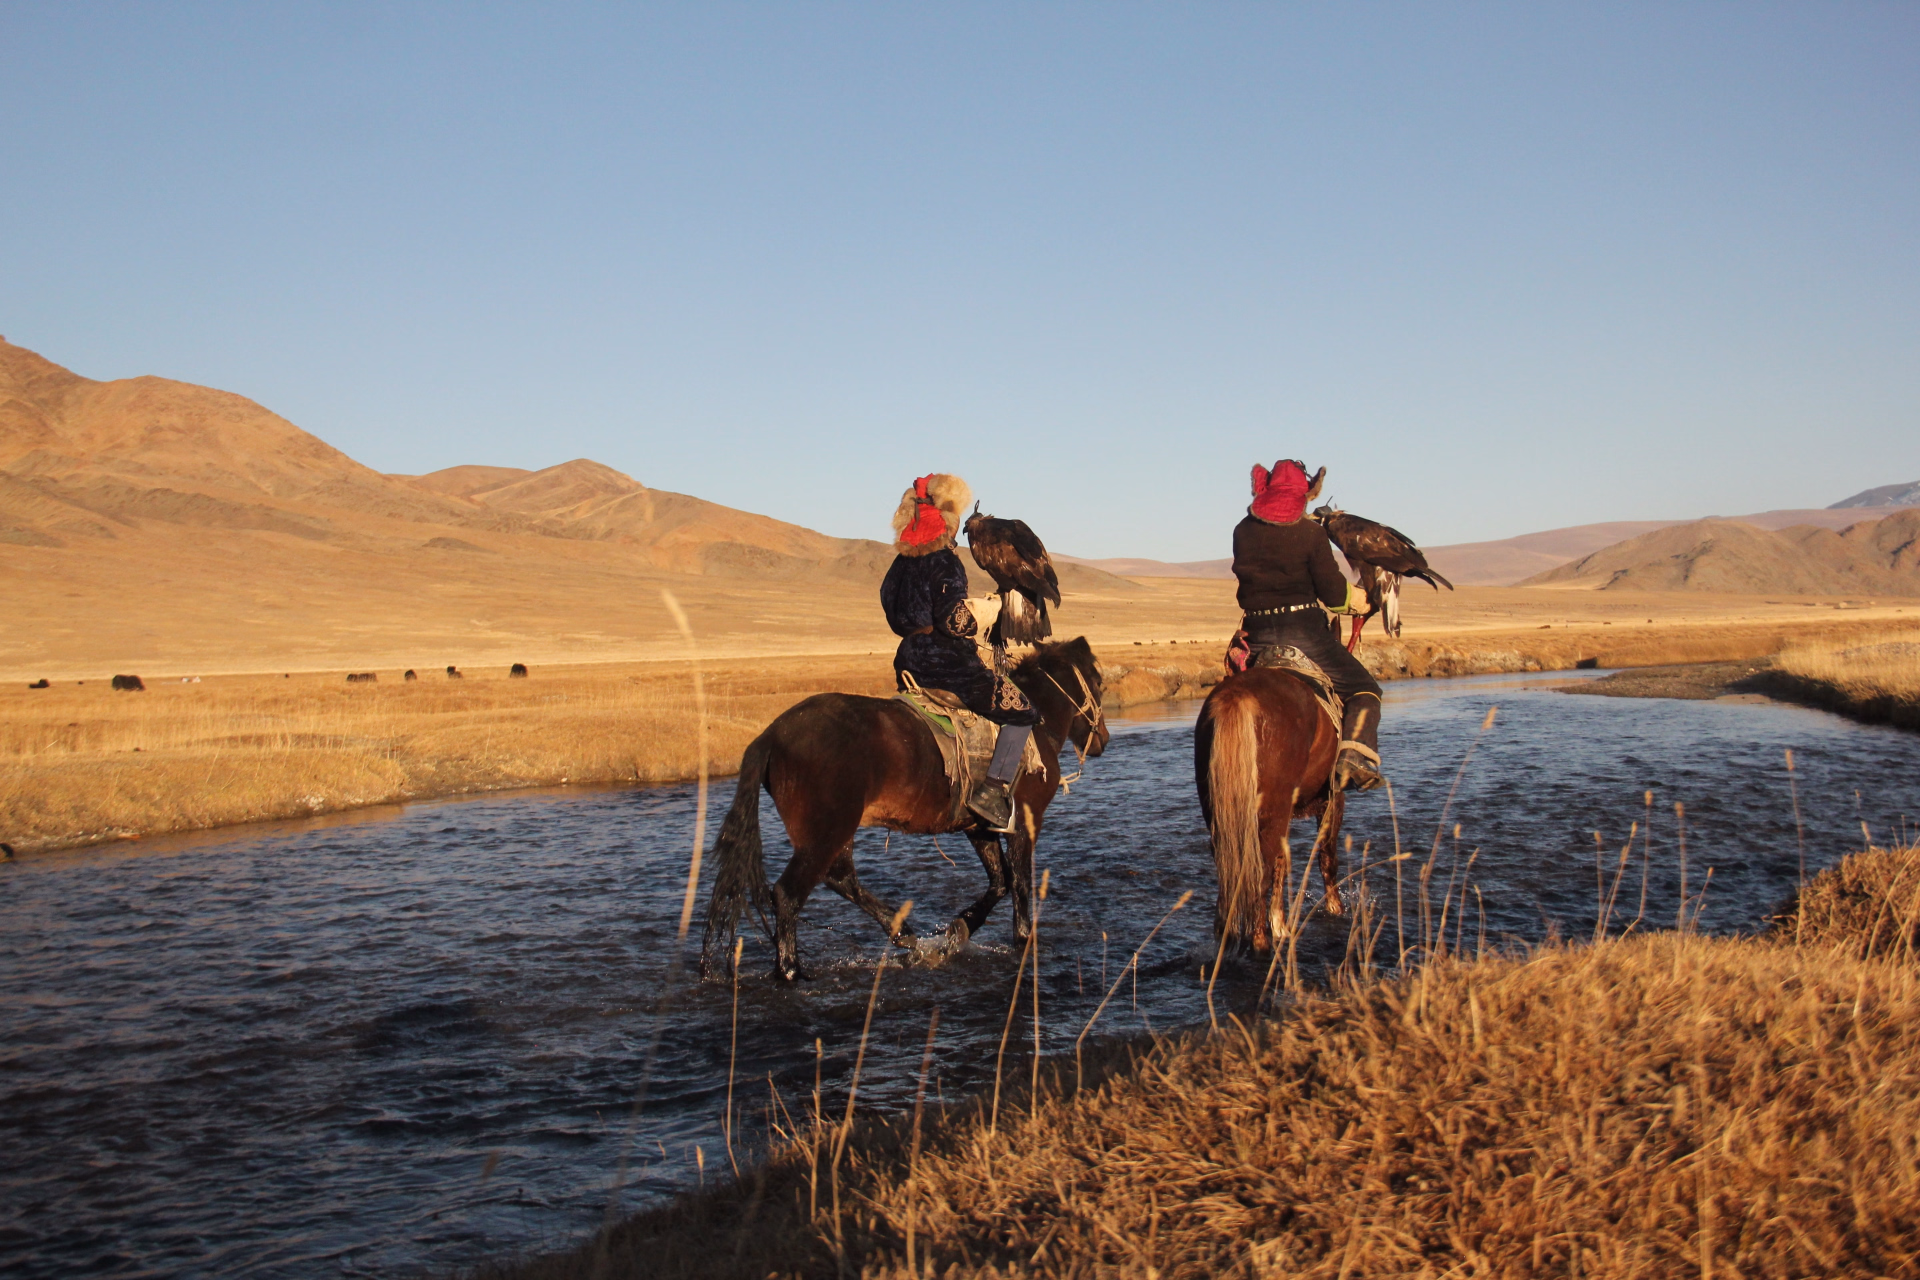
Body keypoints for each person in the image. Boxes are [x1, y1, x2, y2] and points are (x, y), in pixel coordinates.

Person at [879, 473, 1039, 831]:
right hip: (949, 665)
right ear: (949, 523)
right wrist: (987, 611)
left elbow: (892, 612)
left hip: (908, 661)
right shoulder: (946, 562)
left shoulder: (898, 566)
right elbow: (954, 622)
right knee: (1023, 712)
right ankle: (992, 794)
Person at [1231, 460, 1385, 791]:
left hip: (1254, 634)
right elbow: (1332, 594)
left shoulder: (1241, 530)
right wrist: (1358, 601)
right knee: (1365, 689)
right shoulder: (1312, 534)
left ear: (1265, 491)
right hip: (1304, 633)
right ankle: (1353, 758)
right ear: (1305, 496)